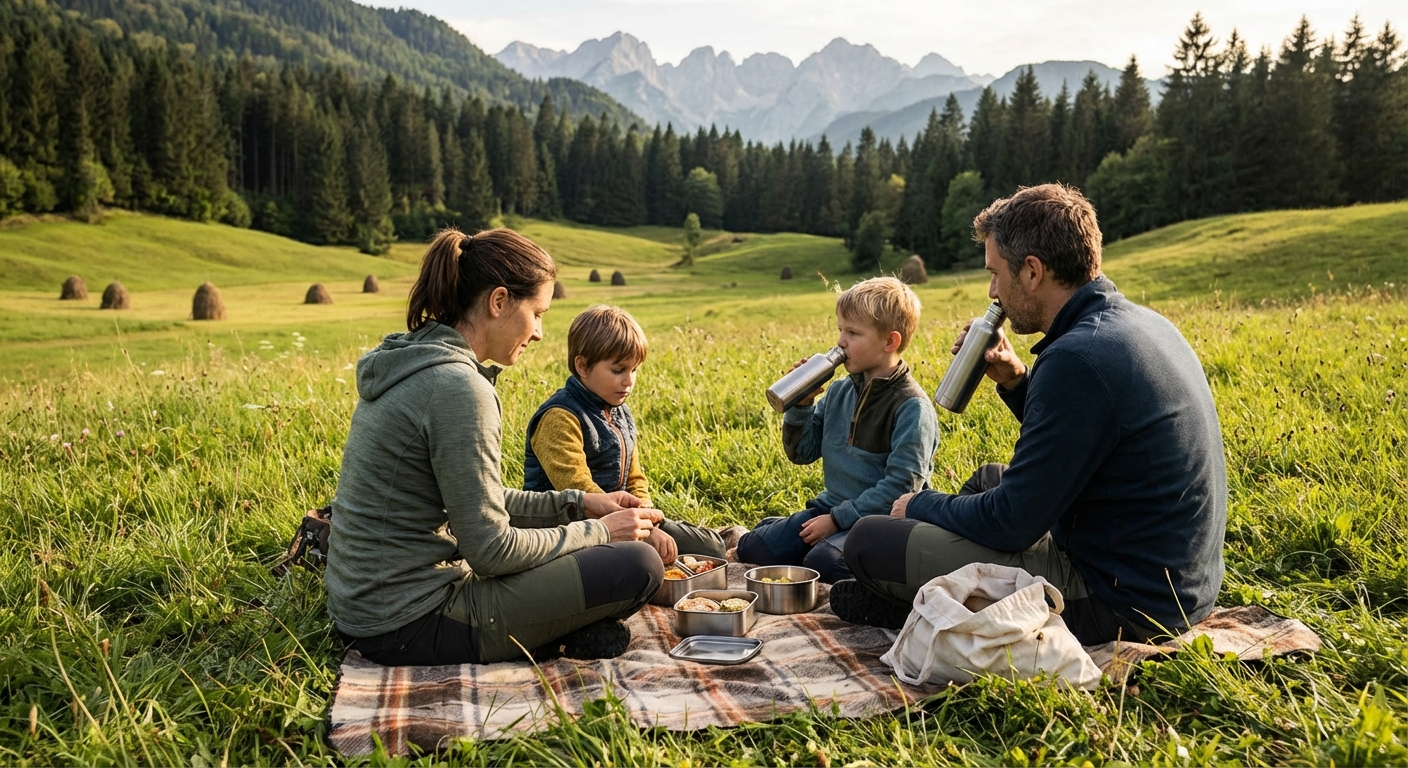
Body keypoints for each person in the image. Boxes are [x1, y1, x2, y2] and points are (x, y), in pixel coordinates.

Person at [831, 184, 1228, 645]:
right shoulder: (1138, 324)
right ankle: (939, 592)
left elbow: (1013, 521)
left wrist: (919, 504)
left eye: (997, 274)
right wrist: (1017, 380)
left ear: (1033, 272)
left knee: (869, 541)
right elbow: (1083, 437)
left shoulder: (1076, 358)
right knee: (986, 480)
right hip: (1177, 582)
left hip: (1123, 602)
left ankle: (935, 606)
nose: (992, 290)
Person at [326, 228, 666, 666]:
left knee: (605, 554)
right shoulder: (459, 388)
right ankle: (551, 634)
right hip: (406, 624)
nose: (540, 332)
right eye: (538, 313)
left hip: (367, 609)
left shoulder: (421, 362)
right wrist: (602, 532)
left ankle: (557, 627)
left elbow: (476, 502)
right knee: (638, 564)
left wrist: (581, 504)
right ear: (499, 301)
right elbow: (491, 551)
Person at [736, 277, 939, 583]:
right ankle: (785, 529)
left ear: (890, 342)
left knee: (824, 563)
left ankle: (870, 560)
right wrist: (800, 405)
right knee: (752, 548)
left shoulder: (912, 407)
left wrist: (836, 520)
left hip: (880, 523)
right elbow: (802, 453)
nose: (841, 342)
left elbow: (900, 487)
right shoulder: (839, 391)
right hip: (831, 508)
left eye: (853, 333)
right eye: (841, 330)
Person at [522, 304, 727, 563]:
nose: (629, 381)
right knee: (644, 561)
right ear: (583, 366)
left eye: (635, 370)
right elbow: (580, 491)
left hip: (628, 521)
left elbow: (635, 478)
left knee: (712, 547)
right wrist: (644, 532)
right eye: (618, 370)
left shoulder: (620, 412)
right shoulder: (559, 417)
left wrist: (648, 518)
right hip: (571, 531)